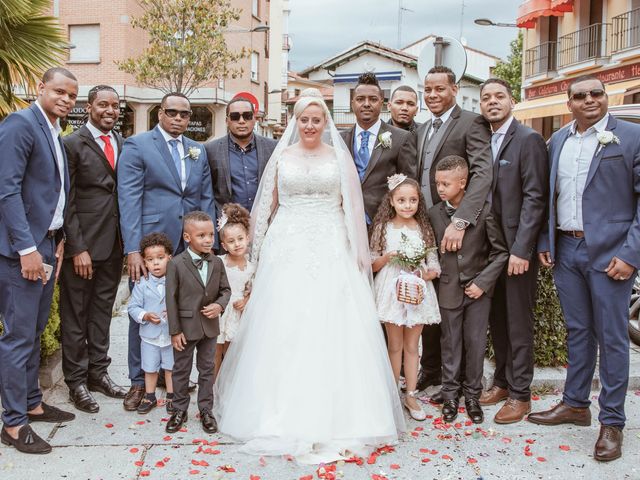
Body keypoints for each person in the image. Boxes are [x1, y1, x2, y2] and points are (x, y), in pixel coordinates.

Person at [214, 88, 405, 464]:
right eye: (304, 119)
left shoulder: (338, 158)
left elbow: (350, 207)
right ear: (295, 121)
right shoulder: (282, 158)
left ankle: (342, 413)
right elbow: (266, 208)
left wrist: (357, 254)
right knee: (285, 322)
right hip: (287, 244)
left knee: (333, 321)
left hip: (331, 243)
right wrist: (257, 255)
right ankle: (277, 408)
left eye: (317, 119)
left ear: (325, 122)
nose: (311, 125)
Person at [530, 75, 640, 462]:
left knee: (612, 337)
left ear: (606, 97)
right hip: (566, 249)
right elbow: (548, 195)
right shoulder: (558, 140)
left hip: (611, 253)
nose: (590, 99)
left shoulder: (630, 137)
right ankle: (575, 404)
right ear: (569, 102)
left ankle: (612, 422)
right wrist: (545, 241)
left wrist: (631, 255)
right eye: (581, 95)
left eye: (597, 93)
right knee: (578, 332)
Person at [118, 92, 215, 411]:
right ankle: (137, 381)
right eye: (172, 112)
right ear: (160, 113)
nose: (178, 118)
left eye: (185, 114)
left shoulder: (197, 149)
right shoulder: (137, 145)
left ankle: (170, 374)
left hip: (186, 248)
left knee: (183, 309)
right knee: (143, 312)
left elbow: (205, 199)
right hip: (152, 248)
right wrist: (133, 249)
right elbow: (129, 199)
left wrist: (204, 244)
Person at [0, 67, 78, 454]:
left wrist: (58, 240)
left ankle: (31, 402)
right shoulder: (20, 124)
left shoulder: (54, 132)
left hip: (49, 246)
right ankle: (13, 425)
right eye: (60, 91)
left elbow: (53, 193)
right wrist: (26, 249)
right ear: (40, 88)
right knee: (17, 337)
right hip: (23, 252)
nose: (66, 99)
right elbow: (7, 190)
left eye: (71, 96)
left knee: (32, 333)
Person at [415, 66, 493, 395]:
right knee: (432, 302)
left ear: (454, 89)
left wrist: (460, 221)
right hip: (426, 223)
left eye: (439, 89)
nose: (432, 95)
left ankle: (460, 384)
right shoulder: (421, 129)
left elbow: (482, 173)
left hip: (455, 228)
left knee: (457, 311)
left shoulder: (471, 122)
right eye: (427, 89)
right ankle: (431, 371)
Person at [478, 78, 548, 424]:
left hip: (516, 250)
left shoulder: (528, 140)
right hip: (490, 251)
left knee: (519, 322)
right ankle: (503, 382)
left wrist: (522, 249)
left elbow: (536, 197)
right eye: (486, 98)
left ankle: (521, 395)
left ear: (512, 101)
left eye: (499, 96)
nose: (493, 102)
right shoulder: (481, 138)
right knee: (498, 320)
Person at [60, 85, 127, 414]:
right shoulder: (71, 144)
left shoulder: (121, 142)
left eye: (115, 105)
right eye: (103, 104)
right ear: (89, 107)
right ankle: (75, 381)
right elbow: (67, 201)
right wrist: (77, 248)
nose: (110, 111)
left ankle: (98, 372)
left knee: (102, 313)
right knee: (76, 315)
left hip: (114, 246)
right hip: (84, 248)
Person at [429, 155, 508, 424]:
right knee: (450, 343)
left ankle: (472, 395)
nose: (440, 188)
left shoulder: (483, 212)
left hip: (478, 294)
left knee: (475, 344)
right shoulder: (434, 214)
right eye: (438, 183)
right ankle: (450, 394)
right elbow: (431, 252)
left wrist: (483, 283)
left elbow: (500, 253)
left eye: (446, 183)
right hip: (448, 290)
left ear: (463, 183)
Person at [370, 174, 440, 421]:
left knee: (412, 346)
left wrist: (421, 272)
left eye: (413, 200)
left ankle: (410, 394)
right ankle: (390, 394)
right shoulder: (382, 228)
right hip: (390, 289)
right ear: (391, 201)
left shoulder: (423, 228)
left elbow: (434, 266)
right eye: (402, 200)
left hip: (416, 291)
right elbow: (373, 264)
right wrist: (389, 256)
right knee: (394, 345)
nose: (407, 205)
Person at [165, 211, 231, 434]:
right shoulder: (175, 264)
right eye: (201, 235)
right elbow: (171, 299)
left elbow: (225, 290)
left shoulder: (217, 263)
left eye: (211, 235)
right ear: (187, 237)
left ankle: (206, 409)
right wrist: (175, 331)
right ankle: (179, 409)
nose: (207, 240)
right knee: (181, 370)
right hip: (185, 328)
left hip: (209, 328)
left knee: (207, 369)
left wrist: (219, 305)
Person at [340, 73, 417, 222]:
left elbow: (409, 184)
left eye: (373, 99)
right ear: (352, 103)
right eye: (360, 99)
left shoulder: (401, 138)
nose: (367, 104)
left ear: (382, 102)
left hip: (384, 220)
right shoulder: (340, 140)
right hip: (346, 219)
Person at [127, 233, 175, 415]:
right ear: (144, 262)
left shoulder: (175, 280)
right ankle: (150, 395)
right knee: (149, 367)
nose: (156, 263)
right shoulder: (141, 284)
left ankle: (172, 395)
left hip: (171, 334)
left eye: (160, 258)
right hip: (149, 336)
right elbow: (133, 307)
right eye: (150, 259)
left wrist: (174, 313)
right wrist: (145, 315)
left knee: (171, 367)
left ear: (169, 258)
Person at [205, 97, 278, 214]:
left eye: (247, 116)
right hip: (227, 225)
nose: (241, 121)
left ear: (255, 119)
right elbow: (207, 193)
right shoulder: (211, 150)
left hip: (264, 221)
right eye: (235, 117)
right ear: (227, 120)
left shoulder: (273, 148)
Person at [213, 203, 255, 381]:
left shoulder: (252, 266)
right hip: (221, 312)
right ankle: (211, 389)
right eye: (231, 241)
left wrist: (246, 300)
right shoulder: (219, 262)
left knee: (232, 353)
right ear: (223, 244)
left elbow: (253, 289)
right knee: (215, 351)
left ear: (247, 237)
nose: (237, 244)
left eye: (240, 239)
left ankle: (227, 387)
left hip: (237, 313)